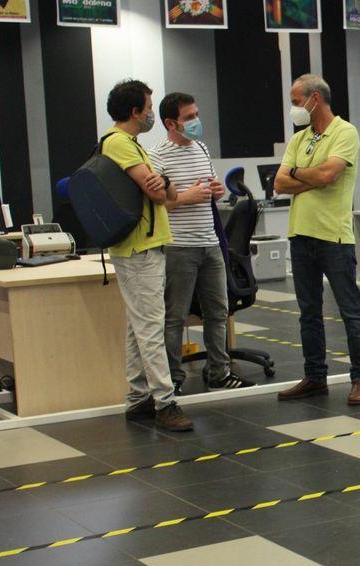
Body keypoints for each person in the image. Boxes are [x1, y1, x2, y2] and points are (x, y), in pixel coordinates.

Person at [272, 74, 360, 404]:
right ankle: (315, 376)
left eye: (296, 100)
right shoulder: (299, 139)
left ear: (315, 99)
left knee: (350, 310)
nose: (293, 108)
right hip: (300, 234)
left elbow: (330, 175)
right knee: (308, 311)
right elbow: (278, 183)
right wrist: (310, 178)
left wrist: (299, 174)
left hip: (334, 236)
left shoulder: (345, 132)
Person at [102, 79, 193, 431]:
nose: (152, 113)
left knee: (138, 325)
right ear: (135, 112)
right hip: (139, 246)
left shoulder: (130, 144)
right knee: (151, 326)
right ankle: (165, 401)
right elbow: (158, 194)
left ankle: (139, 396)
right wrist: (161, 183)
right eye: (149, 107)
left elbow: (163, 189)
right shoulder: (120, 144)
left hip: (144, 244)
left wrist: (162, 181)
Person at [152, 92, 255, 394]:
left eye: (196, 114)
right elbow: (156, 205)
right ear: (171, 123)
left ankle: (219, 372)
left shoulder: (200, 148)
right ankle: (172, 379)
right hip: (179, 246)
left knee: (218, 312)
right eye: (189, 117)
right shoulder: (157, 157)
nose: (196, 121)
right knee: (176, 317)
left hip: (210, 241)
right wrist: (185, 197)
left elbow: (209, 189)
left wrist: (216, 190)